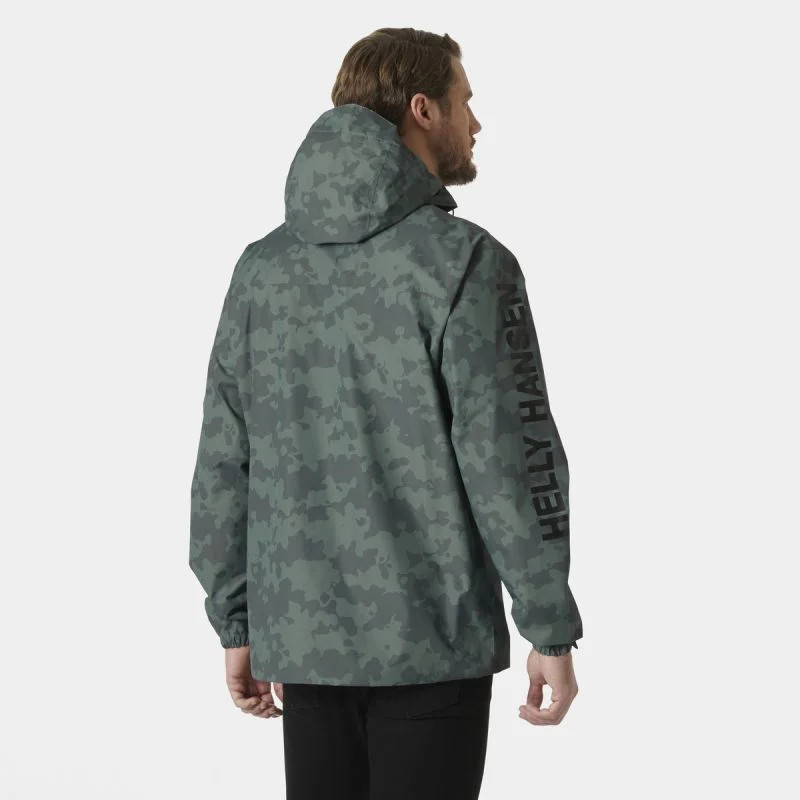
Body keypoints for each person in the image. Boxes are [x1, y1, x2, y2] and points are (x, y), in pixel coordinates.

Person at [189, 26, 583, 800]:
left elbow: (224, 460)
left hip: (302, 646)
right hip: (431, 646)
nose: (477, 122)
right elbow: (509, 459)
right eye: (466, 101)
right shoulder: (465, 264)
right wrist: (549, 625)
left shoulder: (262, 270)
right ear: (422, 109)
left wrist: (238, 622)